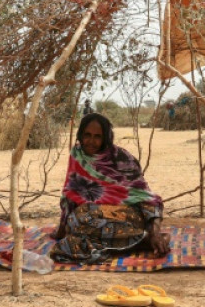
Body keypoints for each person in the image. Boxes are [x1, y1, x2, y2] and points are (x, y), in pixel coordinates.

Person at [49, 113, 170, 264]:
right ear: (80, 135)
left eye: (97, 136)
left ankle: (148, 237)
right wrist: (63, 227)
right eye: (87, 135)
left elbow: (147, 199)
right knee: (75, 221)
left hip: (127, 217)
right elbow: (71, 194)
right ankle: (142, 241)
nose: (91, 141)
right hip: (92, 217)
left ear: (105, 138)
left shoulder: (122, 158)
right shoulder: (77, 155)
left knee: (79, 226)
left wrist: (155, 232)